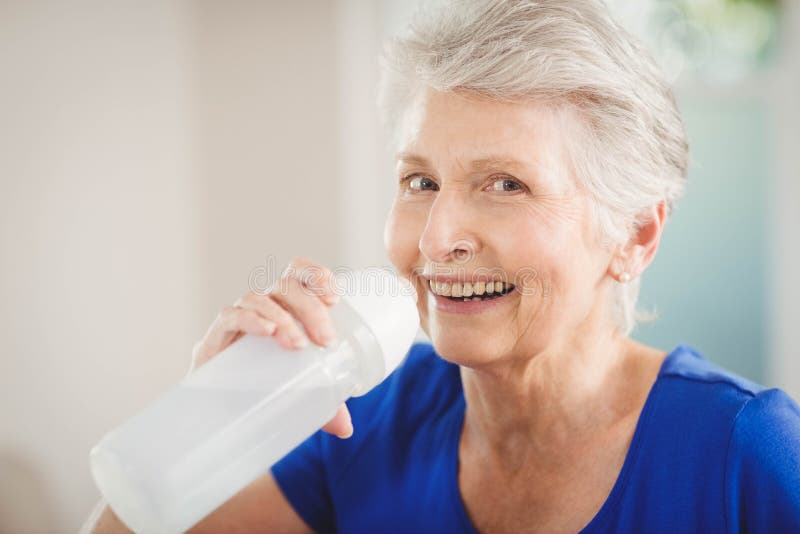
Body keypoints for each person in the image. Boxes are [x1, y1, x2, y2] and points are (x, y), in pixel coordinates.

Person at [84, 0, 800, 532]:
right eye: (421, 181)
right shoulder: (357, 420)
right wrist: (208, 415)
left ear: (637, 235)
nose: (438, 237)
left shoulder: (745, 451)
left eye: (507, 184)